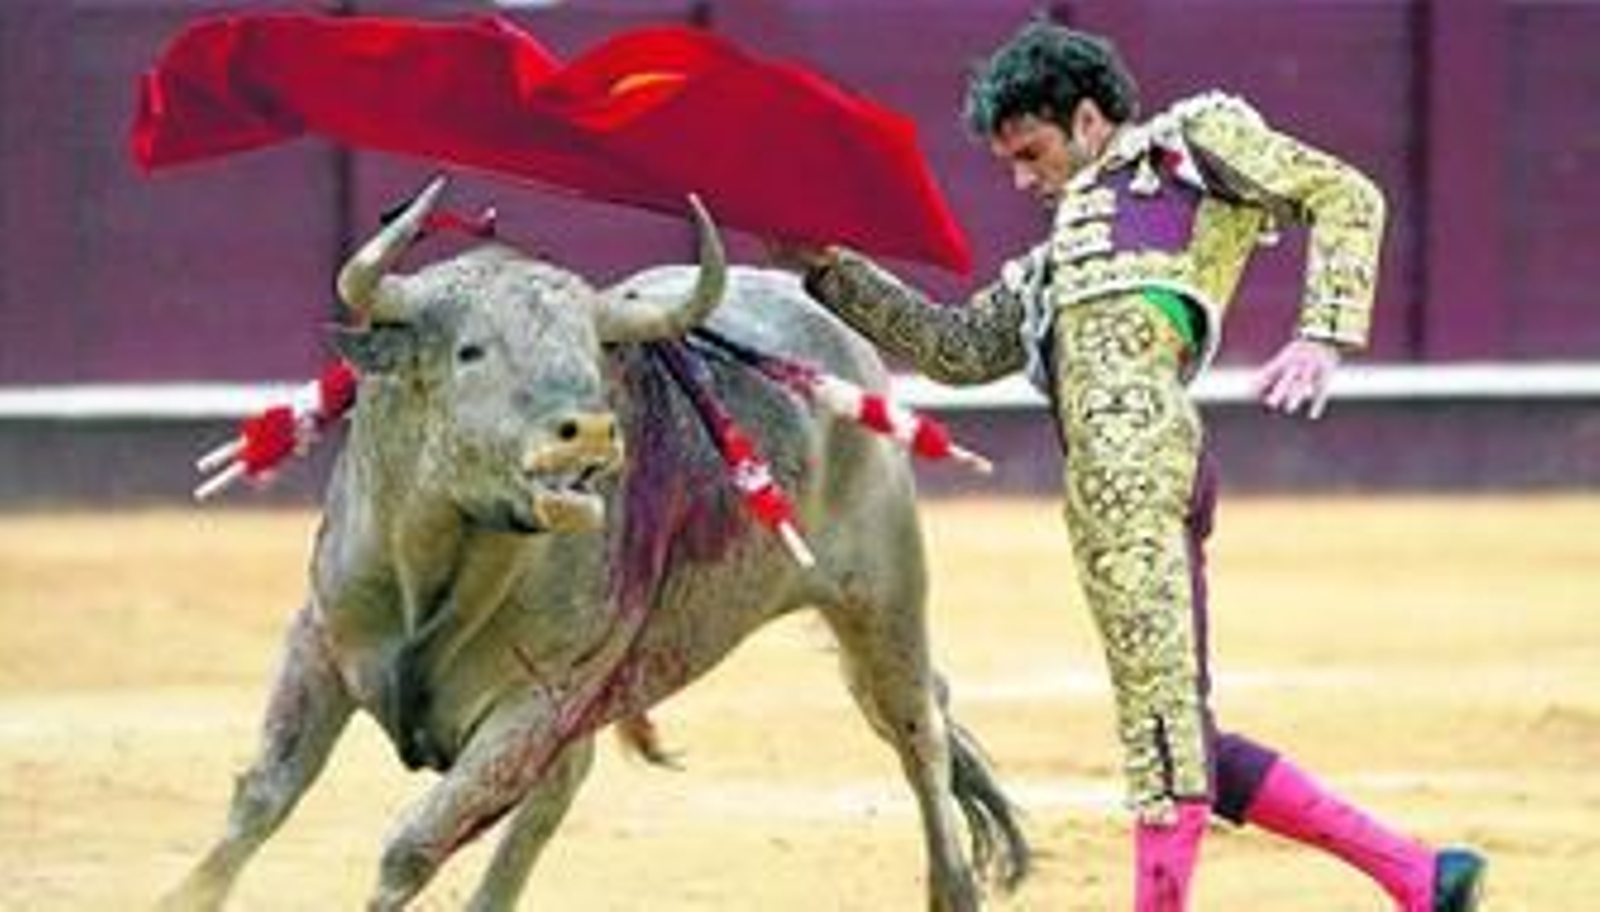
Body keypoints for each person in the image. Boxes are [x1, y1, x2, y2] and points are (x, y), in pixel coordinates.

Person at [771, 20, 1485, 912]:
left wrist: (1322, 334)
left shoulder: (1190, 147)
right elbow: (956, 348)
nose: (1023, 181)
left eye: (1031, 154)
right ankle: (1421, 877)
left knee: (1160, 730)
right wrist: (830, 270)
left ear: (1087, 118)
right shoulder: (1051, 264)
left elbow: (1344, 195)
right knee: (1182, 730)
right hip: (1103, 489)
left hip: (1145, 464)